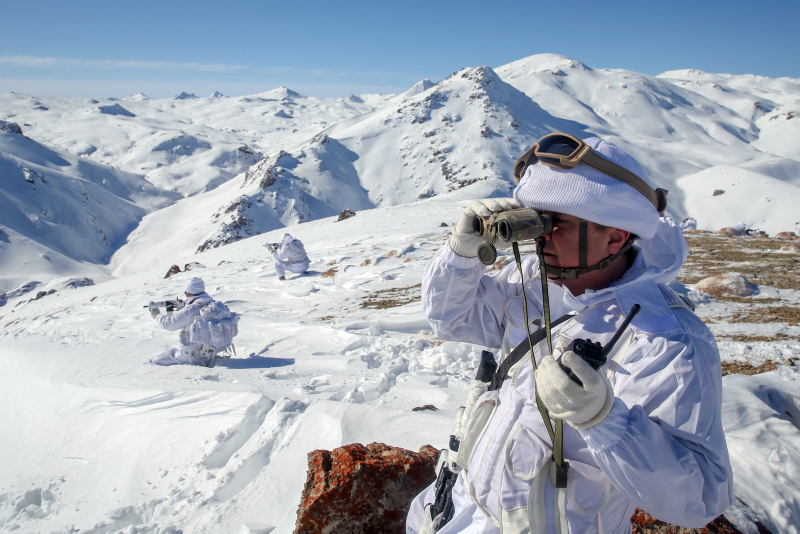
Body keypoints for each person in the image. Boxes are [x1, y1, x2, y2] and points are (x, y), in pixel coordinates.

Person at [407, 134, 732, 533]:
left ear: (615, 237)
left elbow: (699, 499)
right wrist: (462, 252)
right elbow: (449, 319)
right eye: (537, 218)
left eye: (557, 223)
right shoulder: (531, 282)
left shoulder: (666, 340)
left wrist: (604, 419)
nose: (539, 236)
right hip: (462, 515)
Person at [149, 276, 217, 367]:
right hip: (210, 353)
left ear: (189, 292)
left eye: (185, 292)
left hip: (191, 355)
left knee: (154, 360)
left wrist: (156, 315)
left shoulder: (191, 309)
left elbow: (168, 324)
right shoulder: (213, 305)